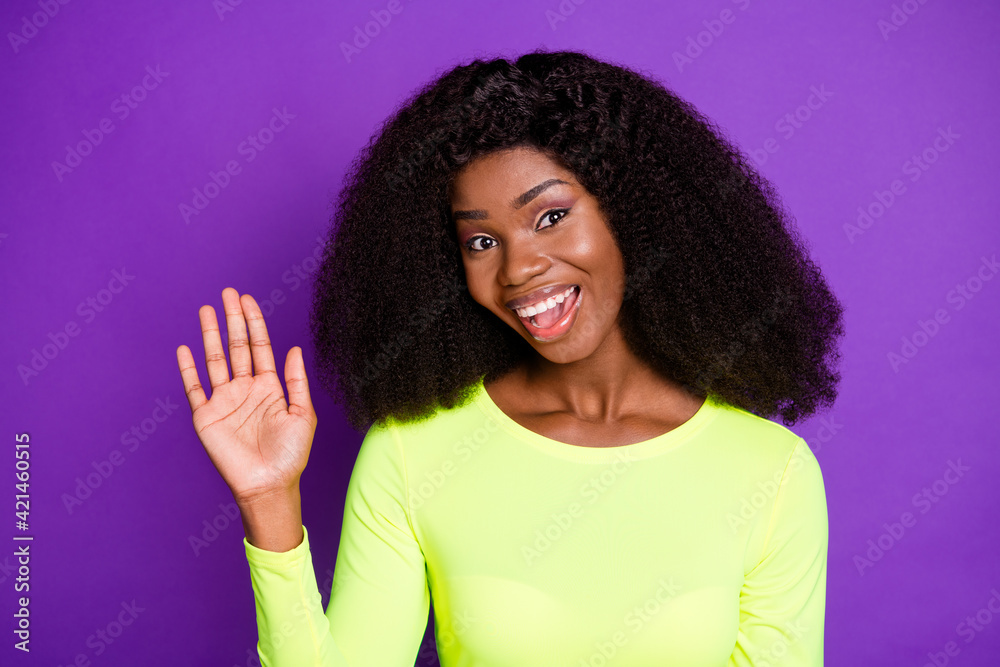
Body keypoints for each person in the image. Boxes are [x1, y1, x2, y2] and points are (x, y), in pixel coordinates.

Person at [176, 49, 844, 666]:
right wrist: (269, 503)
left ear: (633, 214)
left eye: (550, 216)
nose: (519, 267)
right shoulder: (414, 452)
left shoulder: (770, 471)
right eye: (480, 242)